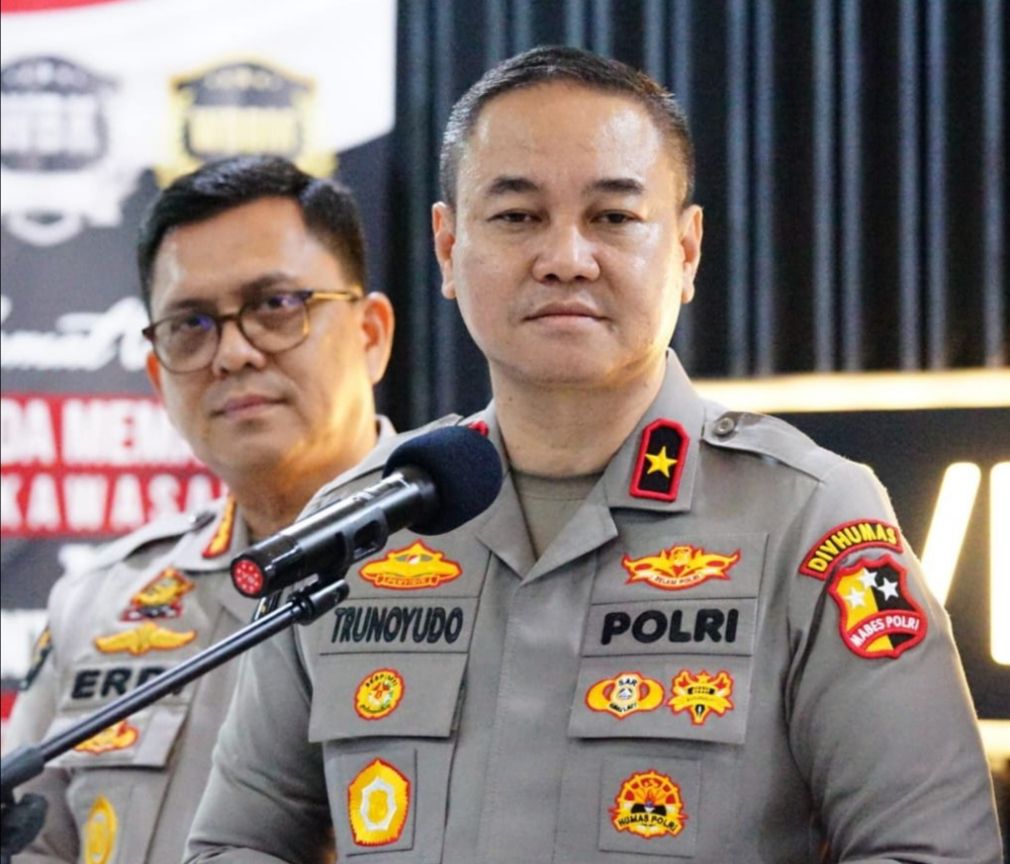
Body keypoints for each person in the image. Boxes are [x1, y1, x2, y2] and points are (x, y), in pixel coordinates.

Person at [184, 48, 1002, 863]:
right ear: (447, 247)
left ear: (686, 251)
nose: (566, 258)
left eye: (613, 217)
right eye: (517, 216)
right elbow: (234, 845)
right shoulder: (361, 528)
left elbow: (931, 851)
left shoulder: (808, 518)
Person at [5, 155, 395, 863]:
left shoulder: (479, 562)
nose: (233, 353)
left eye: (275, 305)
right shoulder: (102, 605)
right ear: (158, 377)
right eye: (191, 323)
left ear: (370, 335)